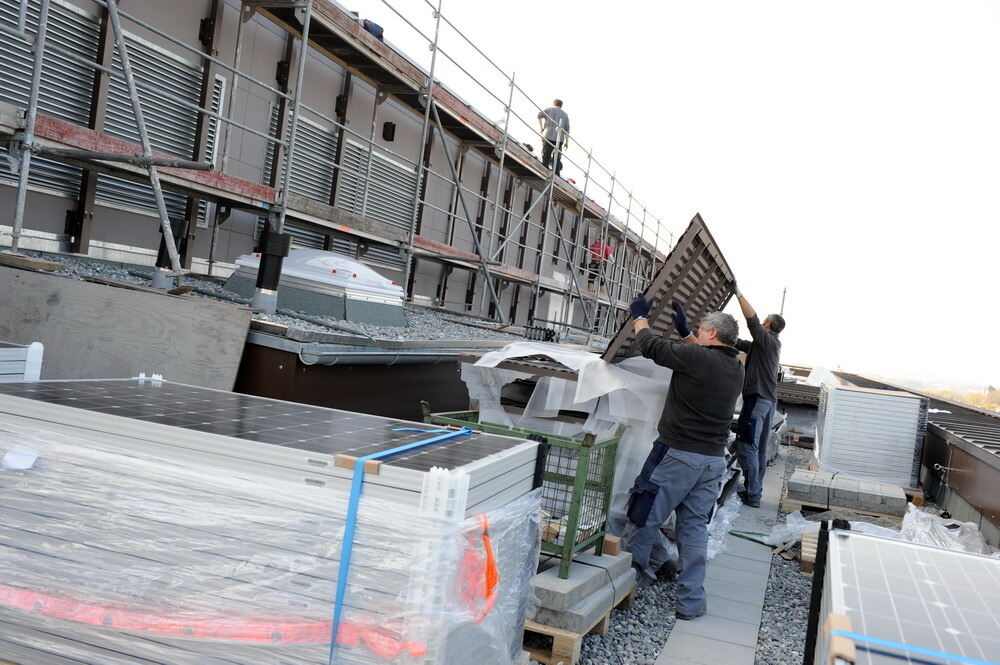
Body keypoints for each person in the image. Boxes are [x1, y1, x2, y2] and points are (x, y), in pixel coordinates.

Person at [621, 297, 744, 620]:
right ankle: (691, 601)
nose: (698, 336)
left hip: (677, 456)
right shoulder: (735, 368)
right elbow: (702, 357)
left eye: (702, 331)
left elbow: (650, 346)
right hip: (711, 462)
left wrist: (640, 317)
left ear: (713, 334)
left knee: (644, 516)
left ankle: (624, 587)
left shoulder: (697, 358)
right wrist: (687, 332)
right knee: (693, 531)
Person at [732, 284, 785, 508]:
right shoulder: (764, 345)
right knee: (759, 449)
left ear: (767, 325)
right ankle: (755, 490)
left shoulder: (768, 340)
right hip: (766, 400)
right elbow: (741, 344)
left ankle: (753, 494)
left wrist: (739, 294)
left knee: (747, 445)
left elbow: (752, 322)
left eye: (763, 322)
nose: (760, 323)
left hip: (757, 400)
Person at [537, 99, 570, 175]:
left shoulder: (548, 109)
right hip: (559, 139)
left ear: (553, 103)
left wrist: (541, 127)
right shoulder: (565, 115)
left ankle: (544, 171)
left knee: (546, 155)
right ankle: (556, 173)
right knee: (557, 157)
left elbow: (538, 116)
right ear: (561, 105)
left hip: (547, 135)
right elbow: (567, 130)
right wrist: (567, 142)